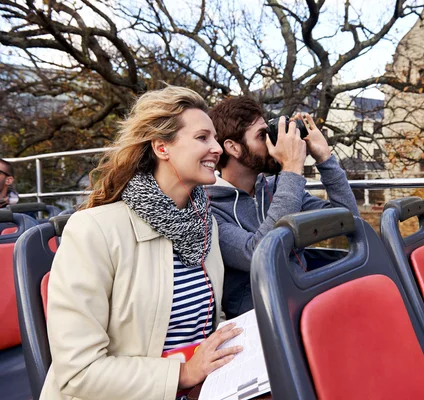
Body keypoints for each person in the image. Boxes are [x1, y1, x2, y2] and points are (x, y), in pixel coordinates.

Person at [41, 86, 244, 400]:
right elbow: (78, 372)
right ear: (162, 148)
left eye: (216, 138)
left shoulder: (206, 224)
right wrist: (185, 373)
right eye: (203, 138)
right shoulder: (93, 230)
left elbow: (208, 323)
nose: (218, 148)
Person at [207, 96, 360, 319]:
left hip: (309, 302)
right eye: (262, 136)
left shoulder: (278, 187)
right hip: (261, 322)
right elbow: (258, 254)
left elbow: (348, 220)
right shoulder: (211, 209)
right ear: (233, 148)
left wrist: (325, 158)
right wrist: (292, 168)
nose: (272, 144)